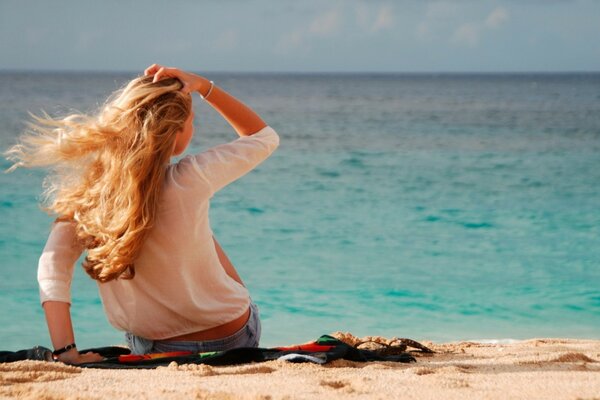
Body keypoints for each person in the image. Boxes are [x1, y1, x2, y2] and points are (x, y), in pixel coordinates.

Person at [5, 65, 280, 364]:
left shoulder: (91, 197)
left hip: (156, 350)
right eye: (191, 122)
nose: (194, 129)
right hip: (233, 336)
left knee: (187, 225)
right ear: (175, 132)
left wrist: (67, 353)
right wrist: (204, 87)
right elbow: (263, 137)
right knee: (195, 226)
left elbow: (52, 266)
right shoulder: (190, 178)